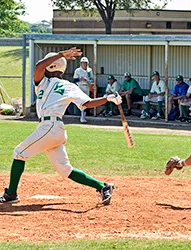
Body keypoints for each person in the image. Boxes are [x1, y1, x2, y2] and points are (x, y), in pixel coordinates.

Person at [0, 47, 122, 205]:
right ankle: (103, 186)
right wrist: (106, 98)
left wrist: (108, 98)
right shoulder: (46, 82)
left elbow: (86, 103)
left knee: (19, 153)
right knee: (65, 170)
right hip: (53, 129)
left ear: (51, 66)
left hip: (50, 127)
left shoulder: (55, 83)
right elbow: (87, 103)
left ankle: (11, 194)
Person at [73, 57, 95, 124]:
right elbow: (75, 80)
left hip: (87, 87)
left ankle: (83, 116)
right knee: (81, 101)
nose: (84, 65)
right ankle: (82, 116)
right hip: (80, 87)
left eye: (85, 63)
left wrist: (88, 81)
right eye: (83, 63)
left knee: (86, 101)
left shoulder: (89, 70)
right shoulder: (77, 70)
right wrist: (81, 79)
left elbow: (92, 79)